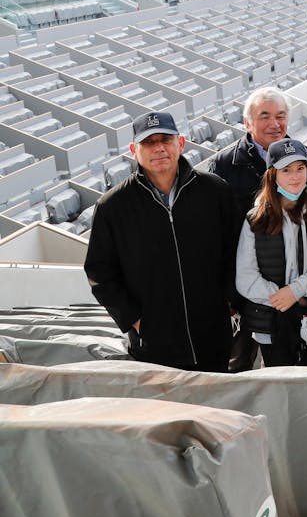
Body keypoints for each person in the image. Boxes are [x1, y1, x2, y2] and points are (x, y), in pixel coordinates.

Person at [85, 111, 239, 371]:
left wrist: (230, 302)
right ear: (134, 150)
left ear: (180, 144)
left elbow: (236, 251)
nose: (159, 148)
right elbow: (100, 272)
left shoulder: (215, 191)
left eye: (165, 139)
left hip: (213, 335)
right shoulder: (112, 207)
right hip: (154, 345)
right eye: (149, 142)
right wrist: (135, 321)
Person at [235, 138, 307, 367]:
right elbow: (245, 277)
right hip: (271, 327)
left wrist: (297, 291)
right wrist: (285, 298)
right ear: (273, 176)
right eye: (286, 170)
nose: (295, 176)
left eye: (300, 168)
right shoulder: (255, 220)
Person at [210, 86, 290, 372]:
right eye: (264, 116)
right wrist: (227, 293)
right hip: (240, 290)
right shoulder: (223, 164)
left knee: (285, 366)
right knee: (237, 366)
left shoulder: (301, 158)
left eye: (281, 115)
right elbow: (215, 235)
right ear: (247, 123)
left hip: (285, 287)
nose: (274, 123)